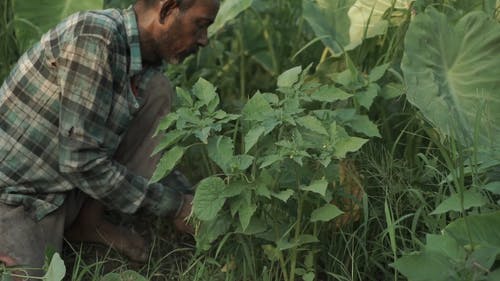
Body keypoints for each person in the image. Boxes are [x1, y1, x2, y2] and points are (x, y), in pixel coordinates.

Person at [0, 0, 219, 277]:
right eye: (200, 26)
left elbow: (148, 154)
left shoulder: (141, 62)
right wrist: (174, 206)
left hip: (65, 187)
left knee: (156, 90)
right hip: (18, 195)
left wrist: (192, 198)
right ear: (167, 8)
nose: (204, 40)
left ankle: (88, 222)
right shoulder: (94, 38)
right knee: (24, 274)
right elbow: (80, 162)